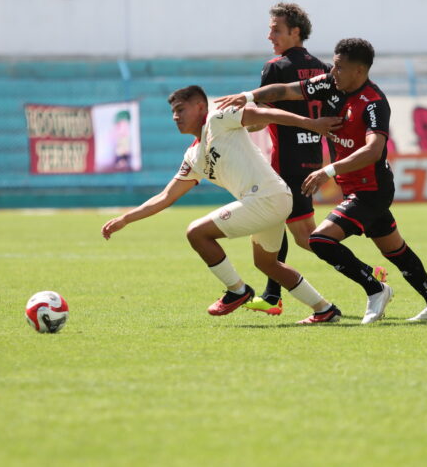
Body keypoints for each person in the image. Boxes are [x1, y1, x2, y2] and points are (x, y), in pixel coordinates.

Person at [216, 39, 427, 323]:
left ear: (360, 71)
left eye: (340, 67)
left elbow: (373, 150)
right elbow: (286, 90)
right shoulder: (330, 84)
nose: (333, 71)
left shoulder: (374, 103)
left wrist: (327, 171)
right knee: (395, 250)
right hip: (354, 187)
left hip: (372, 189)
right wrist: (249, 95)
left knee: (320, 240)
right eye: (334, 65)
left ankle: (375, 288)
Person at [102, 85, 345, 324]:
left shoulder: (218, 118)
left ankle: (237, 291)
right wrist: (125, 219)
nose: (175, 117)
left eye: (180, 109)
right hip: (269, 200)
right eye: (173, 112)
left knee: (197, 233)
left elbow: (264, 114)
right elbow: (166, 196)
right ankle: (324, 309)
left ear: (200, 107)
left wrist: (311, 124)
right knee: (267, 263)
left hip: (267, 198)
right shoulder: (193, 156)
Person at [244, 2, 340, 317]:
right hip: (311, 156)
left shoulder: (276, 67)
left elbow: (260, 116)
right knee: (279, 224)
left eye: (276, 29)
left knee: (303, 236)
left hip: (285, 160)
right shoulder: (325, 68)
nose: (270, 35)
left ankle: (369, 273)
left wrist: (236, 122)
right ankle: (272, 295)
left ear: (294, 32)